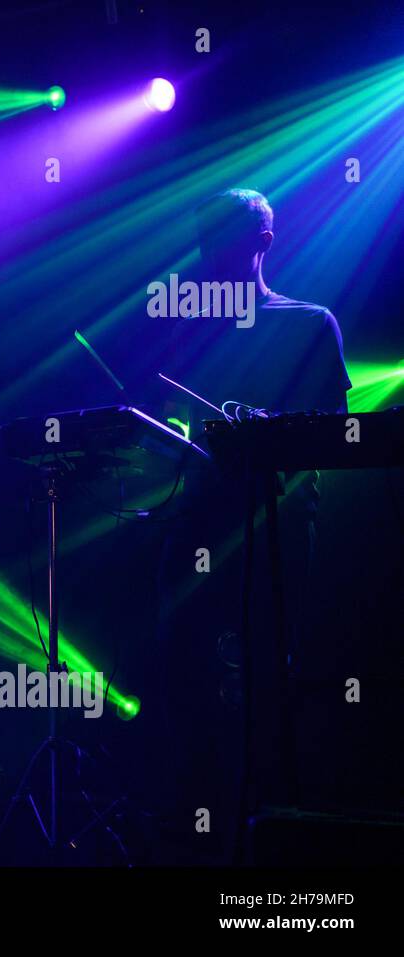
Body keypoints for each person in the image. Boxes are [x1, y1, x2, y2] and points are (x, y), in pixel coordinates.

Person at [154, 188, 351, 862]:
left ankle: (268, 845)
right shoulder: (192, 329)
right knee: (182, 678)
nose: (212, 254)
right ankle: (190, 835)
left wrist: (273, 436)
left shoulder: (309, 322)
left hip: (274, 534)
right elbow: (172, 431)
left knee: (267, 685)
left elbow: (339, 434)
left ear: (263, 242)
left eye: (227, 239)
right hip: (199, 528)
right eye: (206, 239)